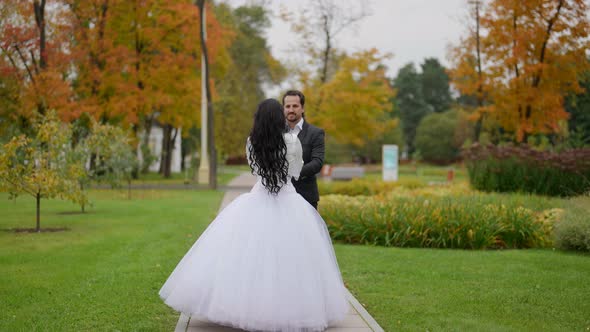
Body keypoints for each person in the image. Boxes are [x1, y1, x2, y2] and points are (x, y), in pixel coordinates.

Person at [159, 99, 348, 331]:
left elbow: (255, 169)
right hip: (289, 198)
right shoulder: (292, 140)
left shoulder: (252, 142)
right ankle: (290, 307)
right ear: (280, 117)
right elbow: (296, 171)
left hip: (258, 196)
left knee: (247, 256)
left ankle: (245, 306)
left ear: (258, 118)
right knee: (293, 258)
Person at [283, 90, 325, 210]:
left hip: (306, 195)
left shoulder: (316, 133)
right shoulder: (276, 132)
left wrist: (291, 172)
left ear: (302, 108)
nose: (291, 109)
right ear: (283, 108)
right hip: (280, 196)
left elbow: (317, 162)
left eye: (295, 106)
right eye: (288, 106)